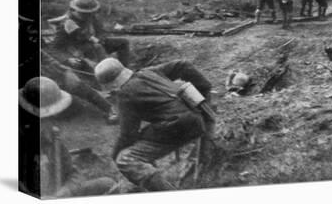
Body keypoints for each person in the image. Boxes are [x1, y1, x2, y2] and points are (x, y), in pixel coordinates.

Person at [94, 58, 216, 192]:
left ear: (111, 83)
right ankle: (153, 175)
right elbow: (183, 65)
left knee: (125, 160)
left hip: (179, 127)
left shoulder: (125, 95)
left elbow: (128, 134)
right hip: (197, 116)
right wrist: (203, 90)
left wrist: (115, 154)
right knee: (143, 138)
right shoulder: (148, 72)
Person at [19, 77, 117, 198]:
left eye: (50, 117)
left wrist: (65, 193)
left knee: (108, 184)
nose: (50, 124)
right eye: (43, 118)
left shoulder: (52, 138)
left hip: (61, 193)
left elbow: (73, 173)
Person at [48, 0, 132, 70]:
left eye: (91, 13)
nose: (89, 16)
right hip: (80, 52)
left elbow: (100, 31)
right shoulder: (66, 24)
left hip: (96, 45)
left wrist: (99, 39)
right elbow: (54, 49)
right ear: (76, 10)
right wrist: (67, 59)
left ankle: (123, 70)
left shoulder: (91, 17)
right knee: (97, 61)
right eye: (84, 13)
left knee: (123, 43)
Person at [41, 50, 118, 124]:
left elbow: (48, 58)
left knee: (81, 88)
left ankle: (109, 109)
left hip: (56, 74)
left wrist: (58, 66)